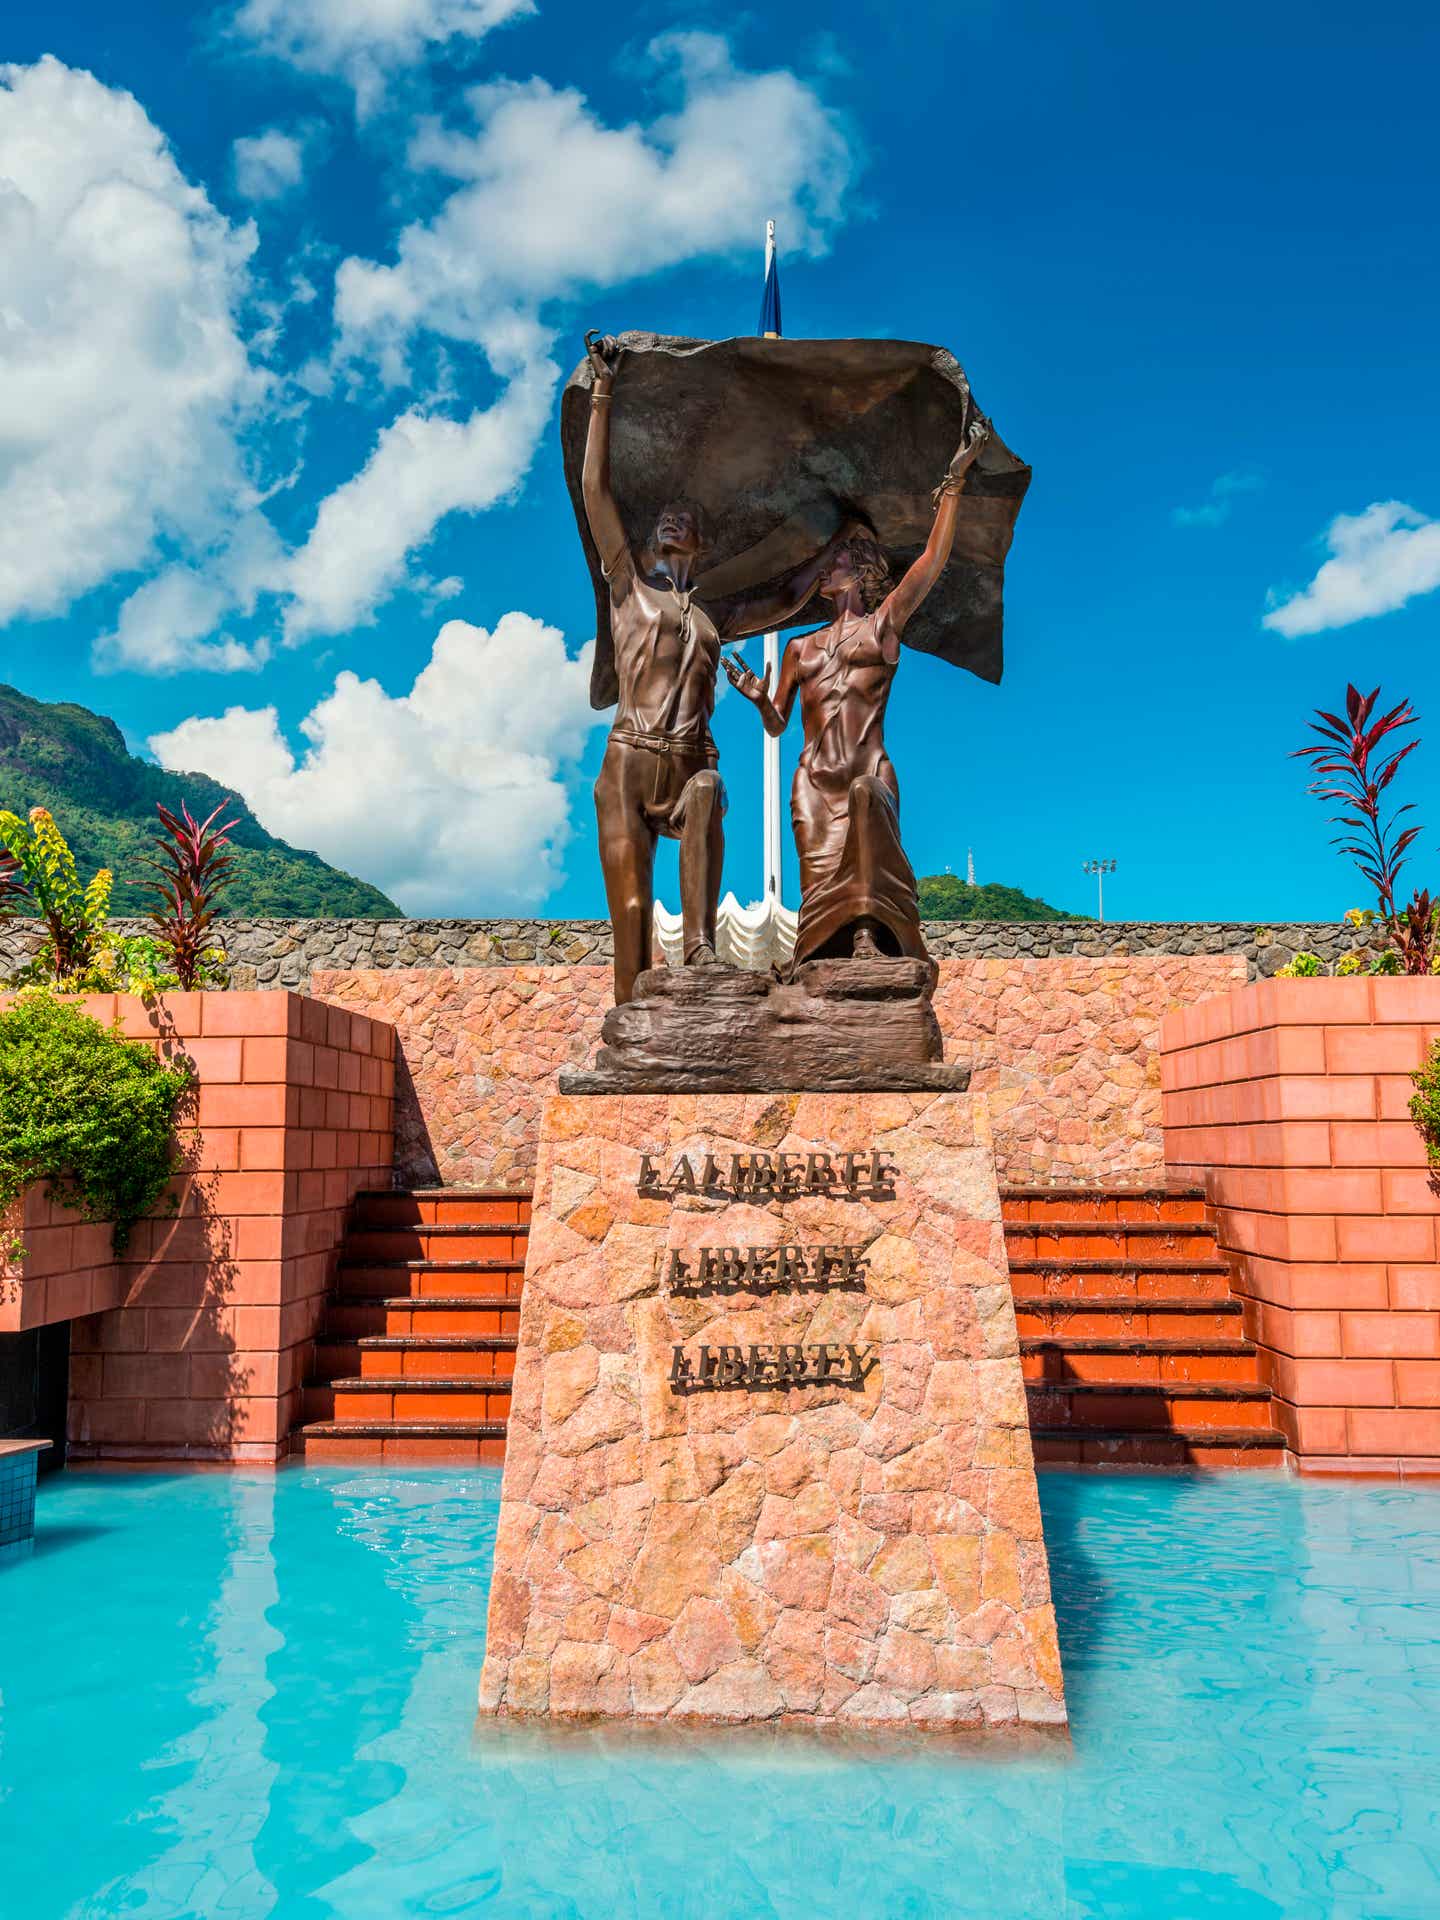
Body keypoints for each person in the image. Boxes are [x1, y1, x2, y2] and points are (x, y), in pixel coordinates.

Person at [581, 334, 847, 1003]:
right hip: (629, 760)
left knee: (706, 794)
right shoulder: (628, 587)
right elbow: (595, 493)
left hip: (690, 758)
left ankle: (699, 948)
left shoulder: (712, 618)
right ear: (651, 539)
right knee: (634, 921)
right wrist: (604, 392)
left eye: (685, 518)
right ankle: (630, 1023)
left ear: (701, 542)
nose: (672, 521)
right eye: (665, 518)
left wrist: (838, 547)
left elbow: (786, 601)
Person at [722, 416, 991, 968]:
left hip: (867, 772)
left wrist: (955, 482)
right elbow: (778, 723)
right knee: (817, 878)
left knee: (869, 824)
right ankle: (817, 963)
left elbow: (929, 565)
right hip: (814, 781)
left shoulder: (883, 629)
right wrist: (756, 697)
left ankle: (873, 943)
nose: (824, 569)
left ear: (860, 569)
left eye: (835, 559)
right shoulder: (800, 649)